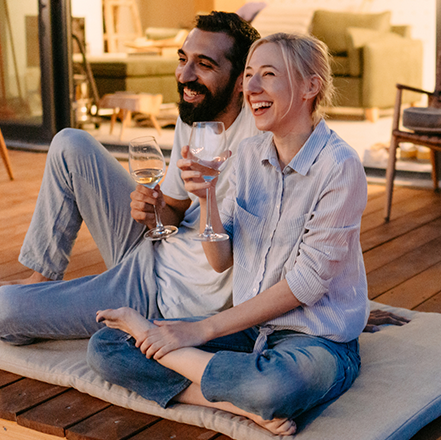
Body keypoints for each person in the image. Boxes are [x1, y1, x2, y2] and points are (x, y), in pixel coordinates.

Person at [87, 33, 371, 436]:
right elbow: (221, 259)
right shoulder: (249, 156)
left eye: (268, 75)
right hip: (251, 329)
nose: (250, 87)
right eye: (249, 75)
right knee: (106, 347)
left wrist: (199, 330)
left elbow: (306, 284)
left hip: (315, 339)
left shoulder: (339, 166)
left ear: (311, 86)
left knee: (276, 385)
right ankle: (244, 405)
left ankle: (246, 392)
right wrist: (207, 201)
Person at [0, 12, 263, 343]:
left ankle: (45, 298)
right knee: (70, 143)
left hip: (161, 294)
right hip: (153, 246)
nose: (184, 75)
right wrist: (152, 211)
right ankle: (40, 279)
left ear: (242, 80)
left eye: (204, 64)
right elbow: (174, 209)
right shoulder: (196, 112)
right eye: (183, 59)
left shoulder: (264, 136)